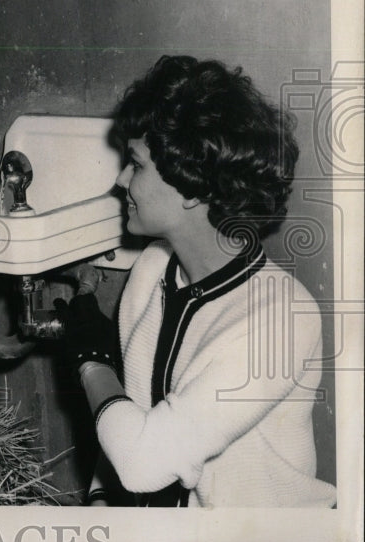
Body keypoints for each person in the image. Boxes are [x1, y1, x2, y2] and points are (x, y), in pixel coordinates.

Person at [57, 55, 337, 508]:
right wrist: (100, 508)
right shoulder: (152, 269)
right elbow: (125, 435)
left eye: (137, 165)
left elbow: (143, 461)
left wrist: (91, 361)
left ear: (194, 186)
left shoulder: (282, 320)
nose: (121, 180)